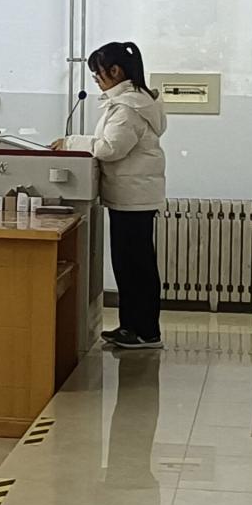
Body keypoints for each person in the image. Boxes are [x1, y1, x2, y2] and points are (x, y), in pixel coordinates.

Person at [52, 41, 167, 350]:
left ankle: (145, 331)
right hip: (130, 195)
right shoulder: (132, 102)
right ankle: (132, 326)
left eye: (97, 74)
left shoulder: (129, 107)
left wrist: (71, 142)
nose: (96, 80)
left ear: (115, 71)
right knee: (129, 265)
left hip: (133, 198)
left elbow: (110, 148)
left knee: (136, 266)